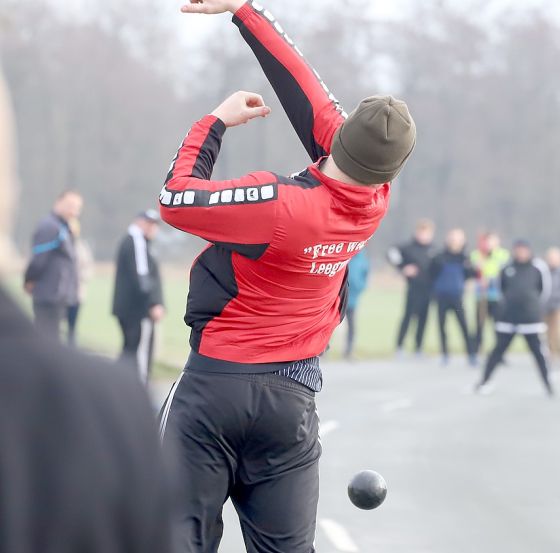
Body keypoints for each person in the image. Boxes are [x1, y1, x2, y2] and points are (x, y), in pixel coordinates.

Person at [159, 2, 416, 552]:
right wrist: (244, 12)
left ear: (340, 140)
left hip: (215, 389)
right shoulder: (375, 201)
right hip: (291, 401)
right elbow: (306, 95)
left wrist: (213, 124)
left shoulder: (281, 205)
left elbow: (176, 199)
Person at [0, 62, 173, 553]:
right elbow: (42, 260)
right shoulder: (106, 409)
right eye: (71, 203)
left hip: (68, 297)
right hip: (50, 297)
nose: (75, 209)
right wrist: (34, 280)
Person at [475, 240, 554, 397]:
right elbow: (499, 288)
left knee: (538, 353)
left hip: (531, 319)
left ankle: (547, 384)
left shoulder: (538, 267)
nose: (521, 253)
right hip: (509, 317)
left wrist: (534, 306)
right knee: (497, 351)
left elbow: (545, 290)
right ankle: (484, 380)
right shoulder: (506, 267)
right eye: (518, 250)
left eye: (523, 250)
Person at [112, 210, 165, 384]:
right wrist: (153, 303)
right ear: (139, 222)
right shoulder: (136, 240)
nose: (151, 228)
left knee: (130, 350)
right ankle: (139, 391)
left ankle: (120, 387)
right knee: (139, 353)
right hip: (137, 310)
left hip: (130, 308)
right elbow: (141, 277)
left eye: (154, 225)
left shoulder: (140, 242)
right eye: (148, 223)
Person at [23, 189, 82, 341]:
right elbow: (38, 259)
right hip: (49, 294)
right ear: (58, 202)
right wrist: (29, 280)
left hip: (59, 295)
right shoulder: (49, 226)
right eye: (70, 205)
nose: (73, 211)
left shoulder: (64, 227)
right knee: (46, 340)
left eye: (77, 208)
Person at [430, 228, 478, 366]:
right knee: (442, 327)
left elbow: (471, 275)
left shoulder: (465, 258)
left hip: (457, 297)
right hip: (441, 296)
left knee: (464, 326)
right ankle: (444, 354)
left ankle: (471, 354)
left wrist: (474, 268)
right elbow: (431, 274)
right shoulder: (439, 257)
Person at [388, 218, 435, 357]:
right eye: (422, 232)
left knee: (423, 319)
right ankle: (399, 347)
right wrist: (403, 268)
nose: (424, 236)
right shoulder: (408, 247)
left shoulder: (433, 249)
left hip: (428, 290)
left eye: (427, 233)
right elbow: (391, 253)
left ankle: (418, 348)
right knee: (408, 317)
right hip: (413, 288)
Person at [66, 217, 94, 347]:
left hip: (76, 293)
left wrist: (79, 276)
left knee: (72, 327)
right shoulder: (61, 244)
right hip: (60, 293)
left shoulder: (81, 247)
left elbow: (88, 267)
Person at [344, 249, 370, 360]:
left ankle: (349, 351)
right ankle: (323, 351)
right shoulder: (344, 255)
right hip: (339, 297)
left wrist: (360, 287)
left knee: (352, 326)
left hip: (353, 298)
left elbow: (366, 276)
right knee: (330, 325)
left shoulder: (362, 259)